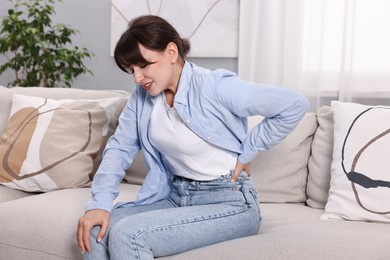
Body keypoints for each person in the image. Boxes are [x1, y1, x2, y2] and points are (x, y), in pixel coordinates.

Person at [77, 15, 309, 259]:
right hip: (176, 195)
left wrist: (249, 149)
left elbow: (293, 105)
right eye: (131, 70)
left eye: (144, 65)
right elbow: (119, 149)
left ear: (171, 52)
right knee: (94, 230)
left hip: (230, 201)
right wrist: (99, 205)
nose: (137, 78)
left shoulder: (214, 86)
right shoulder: (142, 97)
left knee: (128, 234)